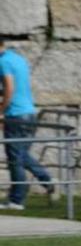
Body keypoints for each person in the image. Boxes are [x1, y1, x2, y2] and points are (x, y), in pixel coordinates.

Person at [0, 39, 53, 210]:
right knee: (21, 155)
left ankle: (17, 200)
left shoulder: (3, 62)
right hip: (29, 113)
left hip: (15, 115)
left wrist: (1, 109)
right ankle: (47, 180)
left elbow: (9, 87)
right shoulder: (18, 59)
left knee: (15, 159)